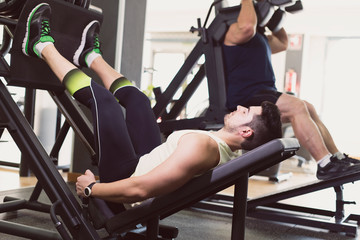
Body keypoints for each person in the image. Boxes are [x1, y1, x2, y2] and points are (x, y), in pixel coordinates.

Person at [23, 3, 282, 211]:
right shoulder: (221, 147)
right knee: (139, 101)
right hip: (145, 160)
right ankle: (90, 55)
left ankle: (40, 44)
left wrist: (92, 188)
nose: (239, 106)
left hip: (126, 181)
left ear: (246, 132)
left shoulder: (203, 147)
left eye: (246, 112)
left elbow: (140, 190)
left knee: (104, 102)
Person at [222, 0, 360, 180]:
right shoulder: (233, 34)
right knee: (296, 106)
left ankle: (336, 158)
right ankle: (325, 164)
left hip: (264, 92)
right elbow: (248, 26)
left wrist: (274, 22)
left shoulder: (260, 38)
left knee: (307, 107)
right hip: (246, 96)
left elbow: (282, 43)